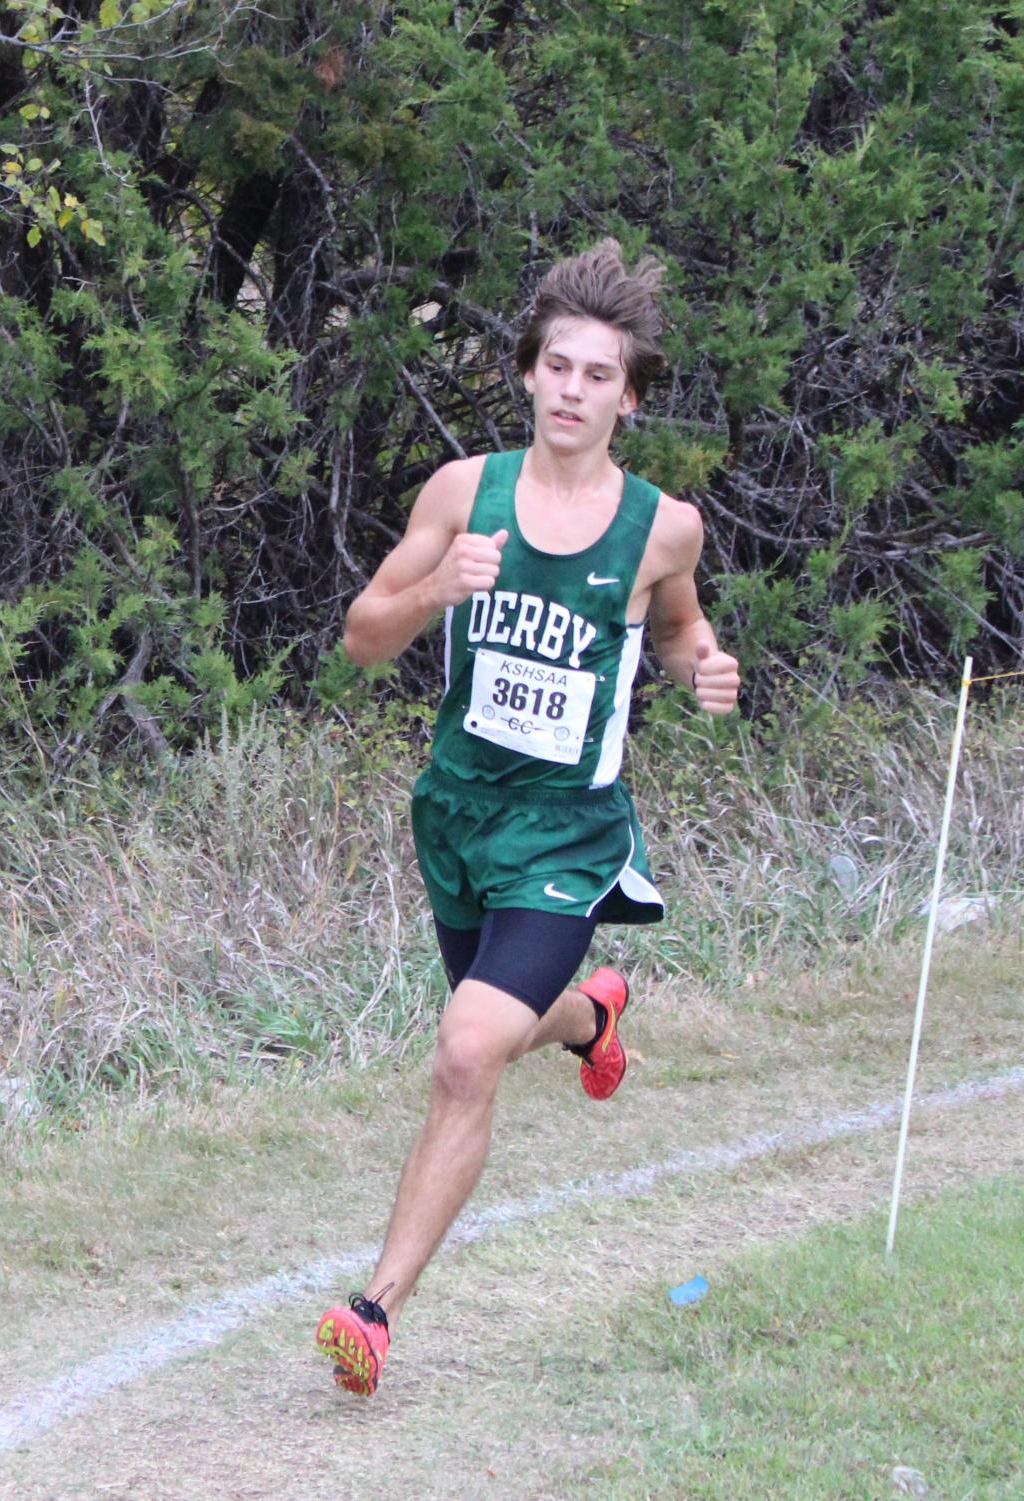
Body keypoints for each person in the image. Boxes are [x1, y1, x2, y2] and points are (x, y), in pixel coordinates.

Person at [314, 240, 741, 1397]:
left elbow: (675, 631)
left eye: (597, 375)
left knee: (463, 1052)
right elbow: (362, 636)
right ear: (527, 373)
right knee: (497, 1022)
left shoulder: (664, 528)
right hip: (455, 814)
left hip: (567, 832)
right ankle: (589, 1015)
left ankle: (375, 1308)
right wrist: (434, 588)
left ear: (629, 396)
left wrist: (704, 666)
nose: (571, 389)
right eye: (556, 365)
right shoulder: (464, 494)